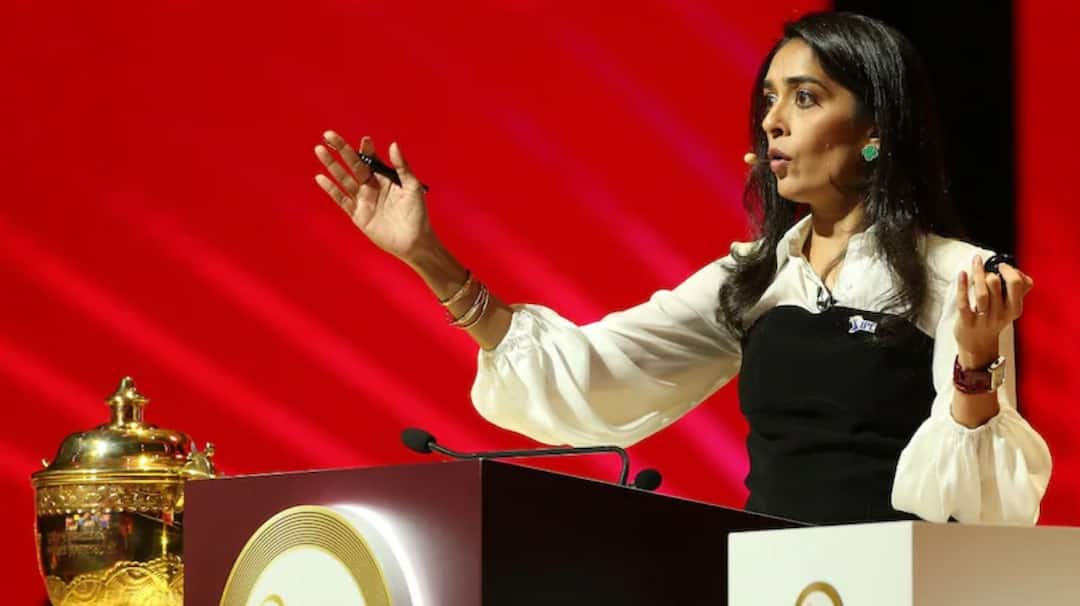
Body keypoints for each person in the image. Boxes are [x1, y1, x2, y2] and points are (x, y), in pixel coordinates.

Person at [312, 11, 1050, 525]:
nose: (773, 120)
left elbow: (980, 509)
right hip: (775, 584)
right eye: (770, 99)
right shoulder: (753, 277)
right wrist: (429, 258)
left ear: (874, 130)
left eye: (805, 98)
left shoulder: (959, 275)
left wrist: (975, 366)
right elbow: (593, 371)